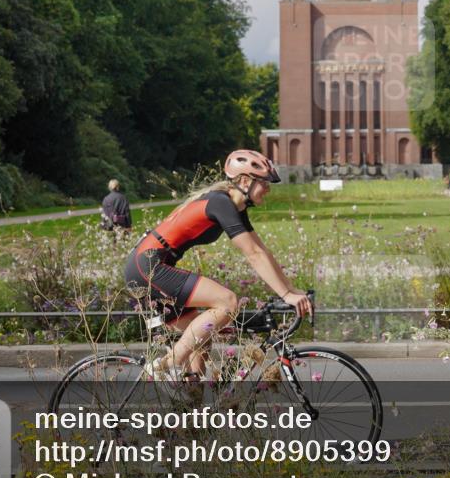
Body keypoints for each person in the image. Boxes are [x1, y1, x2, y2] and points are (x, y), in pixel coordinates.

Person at [125, 150, 313, 383]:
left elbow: (262, 251)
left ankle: (192, 409)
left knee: (203, 337)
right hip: (148, 266)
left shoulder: (233, 205)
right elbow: (252, 255)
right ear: (245, 181)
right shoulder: (220, 203)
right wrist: (286, 294)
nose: (269, 188)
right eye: (264, 182)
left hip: (151, 265)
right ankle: (166, 364)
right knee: (228, 301)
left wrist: (292, 292)